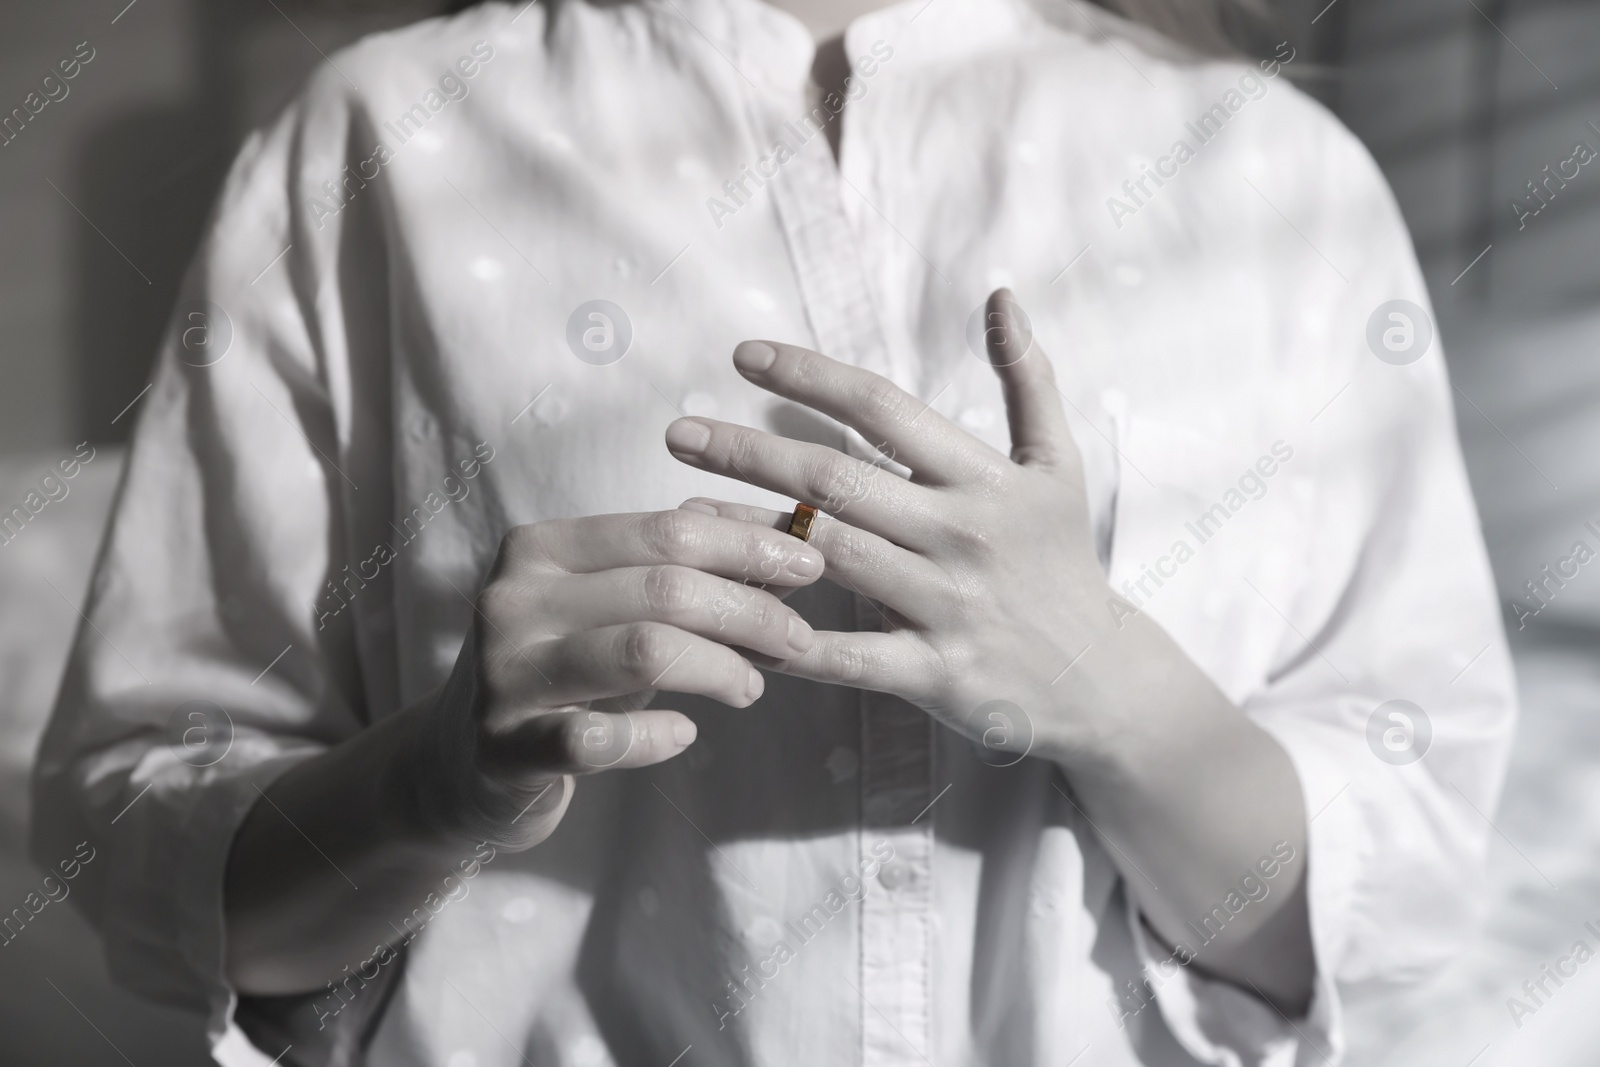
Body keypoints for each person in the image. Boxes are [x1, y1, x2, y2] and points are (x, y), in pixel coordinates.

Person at [32, 0, 1516, 1064]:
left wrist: (1112, 689)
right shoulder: (365, 149)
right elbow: (167, 871)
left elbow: (1372, 924)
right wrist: (435, 782)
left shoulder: (1278, 179)